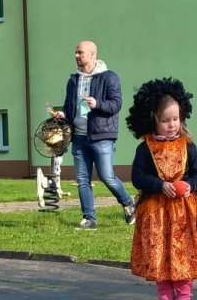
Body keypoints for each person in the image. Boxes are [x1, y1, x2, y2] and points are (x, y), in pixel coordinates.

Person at [127, 78, 197, 300]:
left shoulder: (188, 146)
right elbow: (137, 177)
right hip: (156, 213)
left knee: (183, 256)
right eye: (166, 120)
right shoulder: (145, 148)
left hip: (184, 214)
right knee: (160, 256)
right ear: (153, 118)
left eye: (176, 119)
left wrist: (190, 185)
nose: (172, 124)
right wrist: (160, 185)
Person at [53, 40, 136, 230]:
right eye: (75, 52)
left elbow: (116, 104)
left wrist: (97, 104)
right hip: (79, 137)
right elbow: (69, 106)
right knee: (83, 180)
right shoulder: (73, 80)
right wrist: (63, 114)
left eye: (80, 52)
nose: (76, 56)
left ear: (92, 55)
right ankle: (89, 219)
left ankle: (128, 203)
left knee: (107, 177)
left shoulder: (109, 77)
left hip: (102, 136)